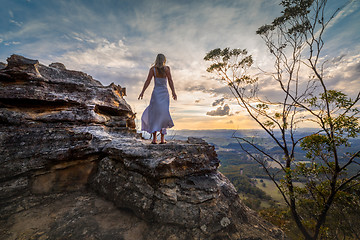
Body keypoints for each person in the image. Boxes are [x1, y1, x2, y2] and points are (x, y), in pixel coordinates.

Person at [138, 53, 177, 144]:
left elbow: (148, 81)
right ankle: (162, 139)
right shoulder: (166, 69)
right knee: (163, 114)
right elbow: (170, 81)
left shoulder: (153, 69)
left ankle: (154, 139)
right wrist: (173, 92)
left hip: (156, 93)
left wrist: (142, 91)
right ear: (164, 60)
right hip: (164, 94)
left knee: (154, 115)